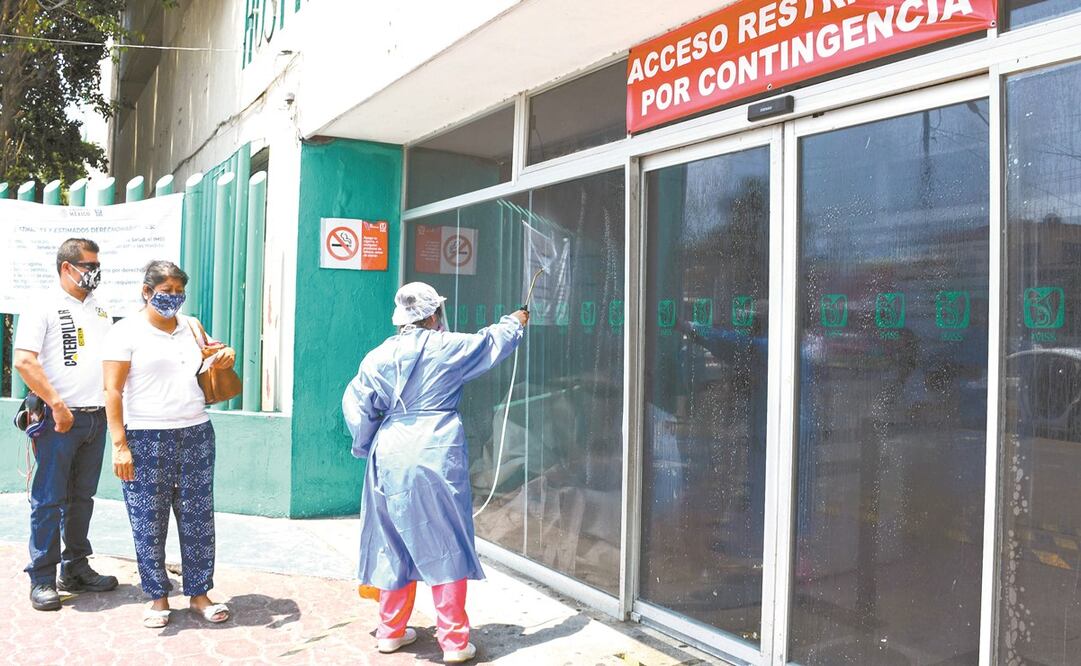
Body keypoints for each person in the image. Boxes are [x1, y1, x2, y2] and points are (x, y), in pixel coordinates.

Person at [342, 282, 529, 664]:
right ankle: (454, 642)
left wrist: (366, 444)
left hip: (390, 450)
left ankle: (390, 631)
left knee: (391, 539)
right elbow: (489, 342)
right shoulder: (448, 347)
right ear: (433, 315)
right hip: (436, 449)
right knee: (445, 540)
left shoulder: (377, 356)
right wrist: (516, 321)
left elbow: (358, 407)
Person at [102, 260, 235, 629]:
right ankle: (157, 596)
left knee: (198, 518)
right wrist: (119, 444)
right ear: (147, 291)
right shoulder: (125, 332)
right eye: (166, 291)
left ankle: (199, 594)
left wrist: (224, 358)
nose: (173, 297)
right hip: (145, 436)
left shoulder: (191, 326)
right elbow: (112, 391)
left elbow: (210, 364)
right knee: (148, 520)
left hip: (195, 432)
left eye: (179, 291)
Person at [13, 238, 119, 611]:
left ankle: (75, 567)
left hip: (95, 418)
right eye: (89, 266)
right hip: (58, 419)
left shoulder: (101, 308)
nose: (95, 273)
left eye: (97, 266)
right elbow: (24, 361)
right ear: (67, 268)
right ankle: (42, 577)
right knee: (48, 499)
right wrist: (57, 405)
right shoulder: (42, 305)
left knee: (82, 498)